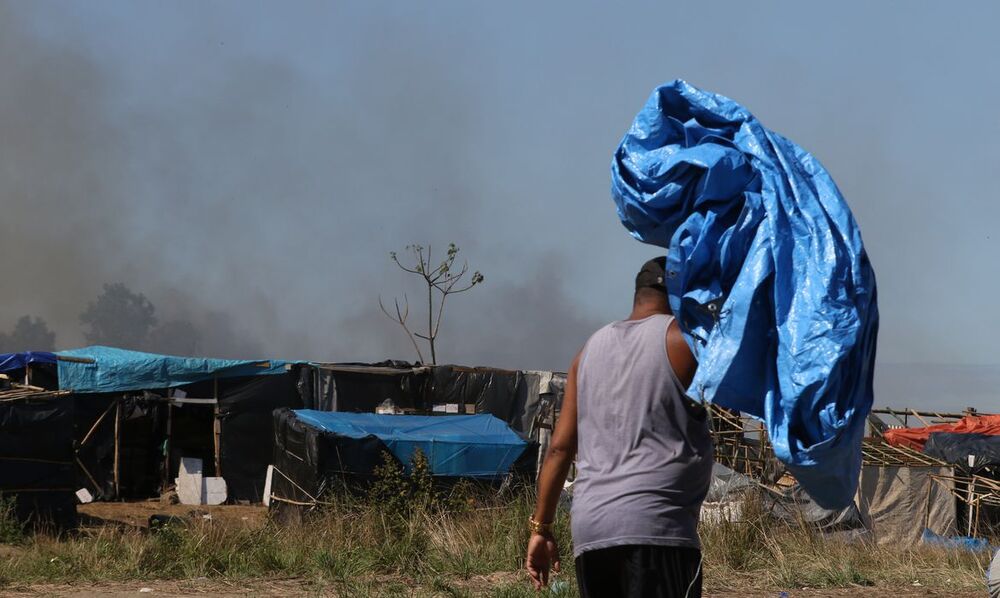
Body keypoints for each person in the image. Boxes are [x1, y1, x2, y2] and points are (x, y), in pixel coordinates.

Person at [525, 257, 714, 598]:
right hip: (657, 528)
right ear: (680, 293)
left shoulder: (588, 351)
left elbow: (559, 448)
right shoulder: (683, 342)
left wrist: (542, 528)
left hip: (593, 534)